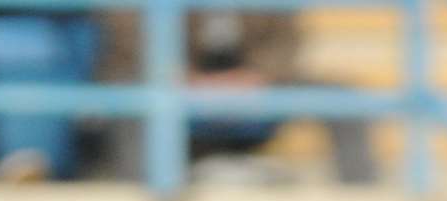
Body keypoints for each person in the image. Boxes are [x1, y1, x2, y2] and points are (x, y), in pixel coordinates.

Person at [99, 9, 378, 185]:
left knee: (342, 98)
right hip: (178, 87)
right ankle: (138, 199)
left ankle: (361, 196)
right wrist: (185, 78)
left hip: (254, 88)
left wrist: (256, 76)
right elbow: (128, 37)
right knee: (132, 96)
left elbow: (287, 41)